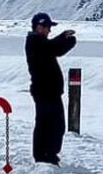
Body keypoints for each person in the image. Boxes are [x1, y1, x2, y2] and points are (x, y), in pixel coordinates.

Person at [24, 12, 76, 165]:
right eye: (47, 27)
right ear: (40, 27)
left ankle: (46, 155)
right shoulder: (35, 42)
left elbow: (53, 48)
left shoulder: (38, 42)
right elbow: (54, 49)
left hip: (48, 91)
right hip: (45, 92)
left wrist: (64, 38)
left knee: (51, 124)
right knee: (51, 125)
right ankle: (45, 156)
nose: (49, 31)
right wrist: (66, 39)